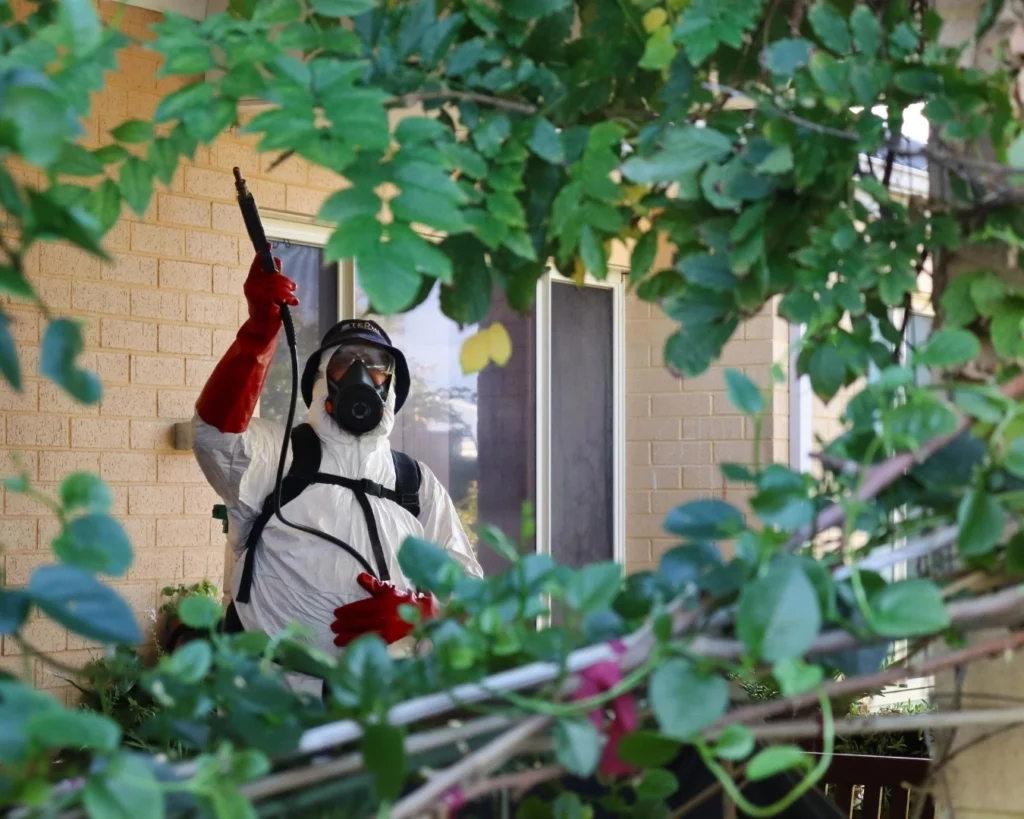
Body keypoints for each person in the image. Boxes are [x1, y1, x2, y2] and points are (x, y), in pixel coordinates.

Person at [191, 250, 483, 696]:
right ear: (322, 378)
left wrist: (425, 614)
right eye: (346, 362)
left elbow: (470, 596)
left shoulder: (415, 483)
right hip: (277, 703)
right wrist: (257, 334)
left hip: (382, 708)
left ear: (392, 383)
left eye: (376, 365)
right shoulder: (279, 455)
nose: (362, 375)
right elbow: (215, 435)